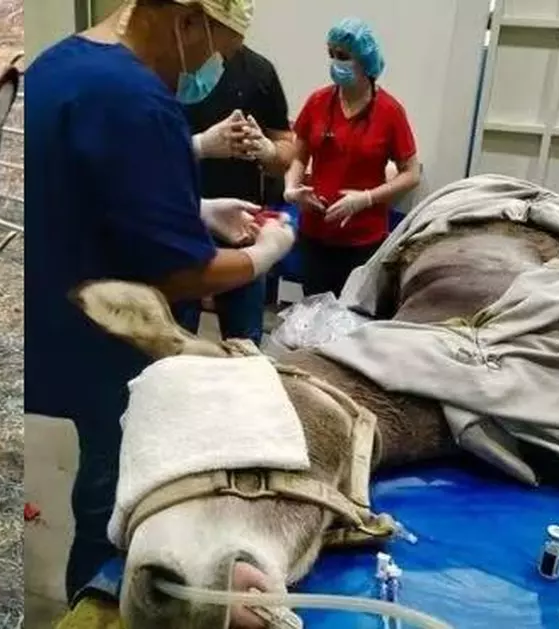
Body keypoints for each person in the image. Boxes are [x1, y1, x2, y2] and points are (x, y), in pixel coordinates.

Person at [24, 0, 296, 608]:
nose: (212, 68)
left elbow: (86, 201)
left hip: (51, 329)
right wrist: (268, 252)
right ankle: (100, 607)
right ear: (186, 21)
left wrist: (197, 212)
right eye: (216, 50)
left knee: (98, 486)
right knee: (116, 506)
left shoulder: (54, 68)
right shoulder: (142, 102)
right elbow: (178, 274)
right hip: (106, 344)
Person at [283, 17, 422, 299]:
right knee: (313, 317)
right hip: (315, 235)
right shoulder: (318, 102)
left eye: (343, 56)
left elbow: (411, 173)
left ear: (365, 60)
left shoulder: (389, 112)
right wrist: (291, 189)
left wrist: (366, 199)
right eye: (332, 55)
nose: (336, 62)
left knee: (351, 323)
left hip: (362, 240)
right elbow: (298, 158)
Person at [182, 39, 295, 344]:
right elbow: (140, 151)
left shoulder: (258, 71)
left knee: (245, 345)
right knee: (174, 343)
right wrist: (200, 145)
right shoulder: (170, 67)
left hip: (242, 227)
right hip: (178, 224)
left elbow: (286, 152)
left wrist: (269, 150)